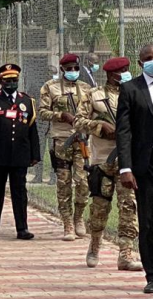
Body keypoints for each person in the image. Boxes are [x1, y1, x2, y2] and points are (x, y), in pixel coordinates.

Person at [75, 57, 142, 271]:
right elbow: (78, 121)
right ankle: (94, 245)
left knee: (129, 207)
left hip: (129, 160)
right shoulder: (94, 95)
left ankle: (125, 253)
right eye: (120, 71)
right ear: (110, 74)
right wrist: (99, 125)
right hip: (103, 158)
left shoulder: (135, 92)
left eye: (126, 69)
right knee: (99, 207)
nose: (124, 73)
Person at [0, 64, 39, 240]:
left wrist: (34, 154)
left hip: (20, 154)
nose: (11, 83)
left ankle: (22, 228)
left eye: (14, 80)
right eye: (8, 80)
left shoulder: (27, 101)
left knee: (20, 192)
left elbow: (32, 129)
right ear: (0, 81)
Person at [39, 54, 91, 241]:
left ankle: (79, 217)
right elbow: (42, 112)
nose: (72, 72)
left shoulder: (86, 88)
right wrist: (61, 115)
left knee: (83, 181)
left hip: (82, 140)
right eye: (68, 69)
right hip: (61, 139)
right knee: (64, 183)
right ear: (62, 70)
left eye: (75, 68)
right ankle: (67, 222)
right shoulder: (49, 87)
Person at [116, 44, 153, 293]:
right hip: (145, 168)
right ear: (140, 63)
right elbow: (124, 132)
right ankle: (152, 275)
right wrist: (125, 168)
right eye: (149, 59)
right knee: (148, 222)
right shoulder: (130, 89)